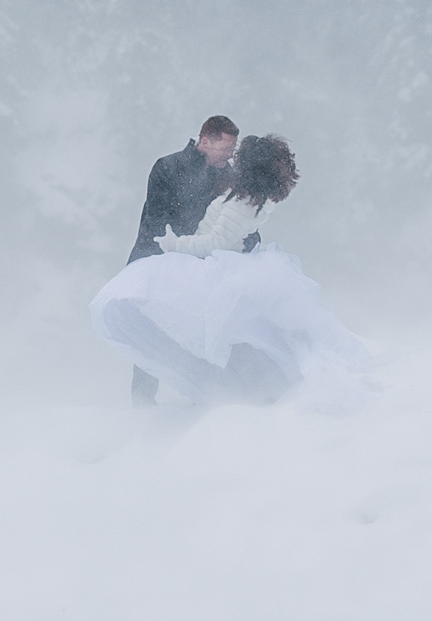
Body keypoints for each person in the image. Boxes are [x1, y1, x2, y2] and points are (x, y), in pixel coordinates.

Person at [91, 133, 371, 408]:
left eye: (239, 156)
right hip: (213, 261)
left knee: (191, 323)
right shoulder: (244, 195)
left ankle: (219, 393)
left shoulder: (242, 202)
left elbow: (218, 240)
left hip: (211, 261)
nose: (232, 158)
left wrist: (174, 244)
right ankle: (200, 391)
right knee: (197, 325)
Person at [119, 115, 242, 403]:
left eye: (232, 150)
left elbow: (233, 219)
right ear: (204, 141)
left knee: (204, 332)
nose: (229, 156)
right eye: (224, 149)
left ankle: (206, 402)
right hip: (157, 262)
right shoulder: (168, 167)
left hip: (201, 265)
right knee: (152, 336)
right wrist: (179, 255)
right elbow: (155, 223)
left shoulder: (228, 174)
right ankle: (142, 405)